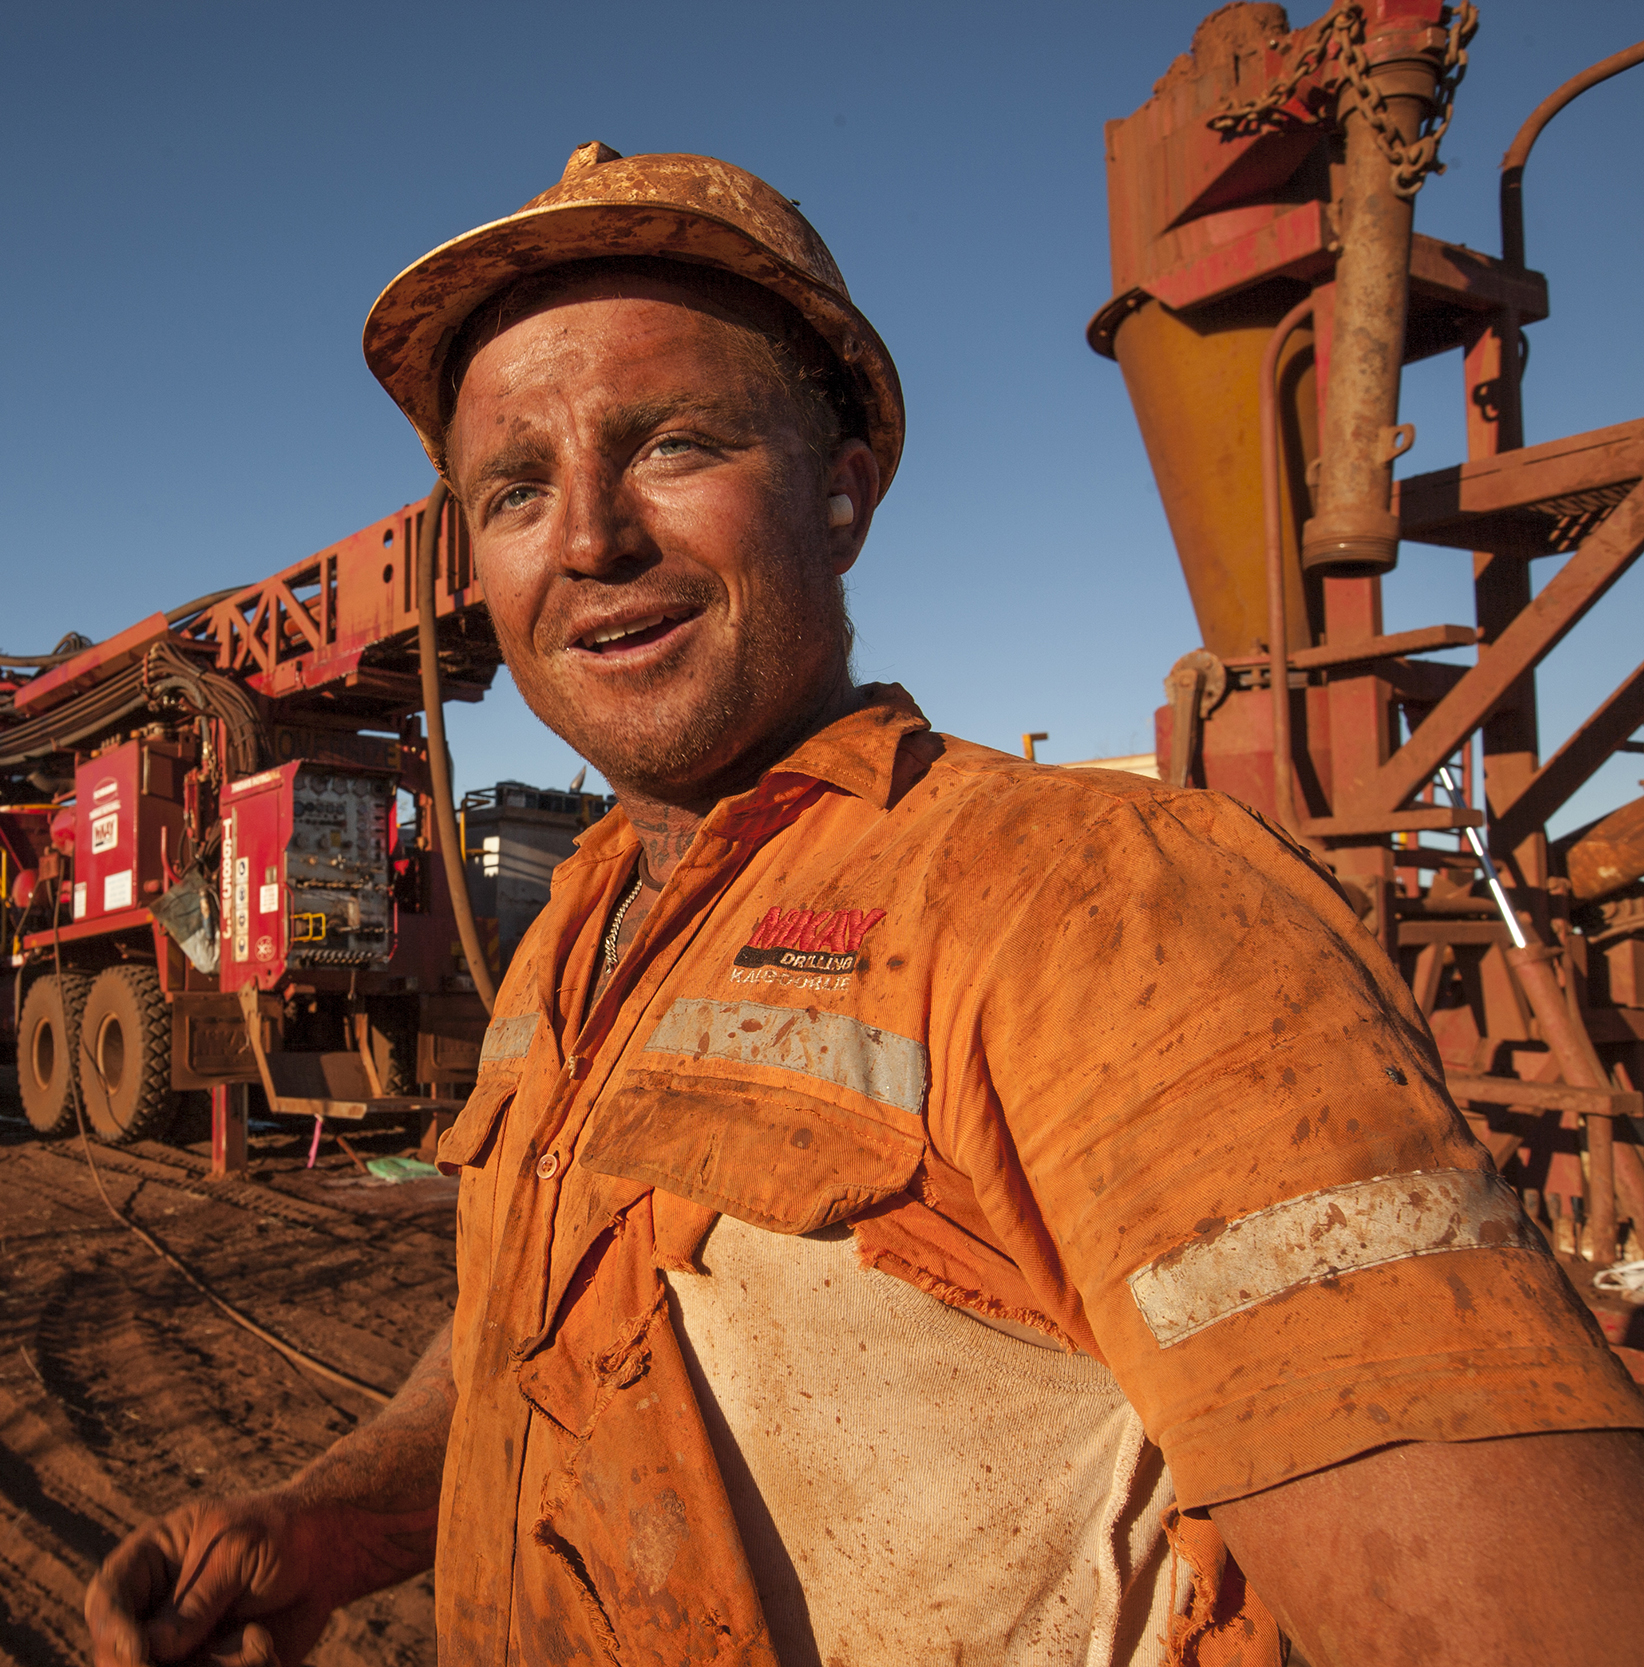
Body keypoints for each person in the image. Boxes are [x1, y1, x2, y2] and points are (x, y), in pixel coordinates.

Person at [85, 144, 1644, 1667]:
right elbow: (528, 1321)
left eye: (672, 446)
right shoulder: (574, 925)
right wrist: (328, 1523)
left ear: (845, 495)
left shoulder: (1102, 910)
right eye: (513, 489)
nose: (587, 538)